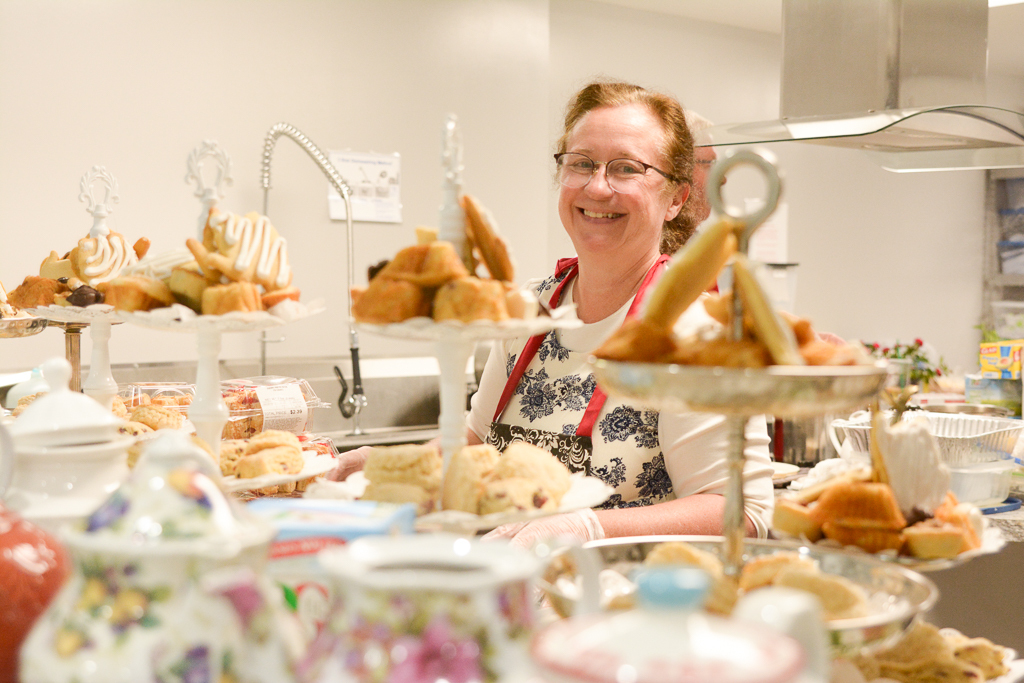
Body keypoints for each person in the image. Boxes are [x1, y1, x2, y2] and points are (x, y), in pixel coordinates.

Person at [469, 80, 774, 548]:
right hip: (511, 595)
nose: (597, 186)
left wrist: (588, 527)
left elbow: (742, 511)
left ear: (675, 199)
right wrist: (377, 466)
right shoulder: (529, 309)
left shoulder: (696, 334)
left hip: (633, 604)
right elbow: (474, 446)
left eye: (627, 168)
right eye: (582, 163)